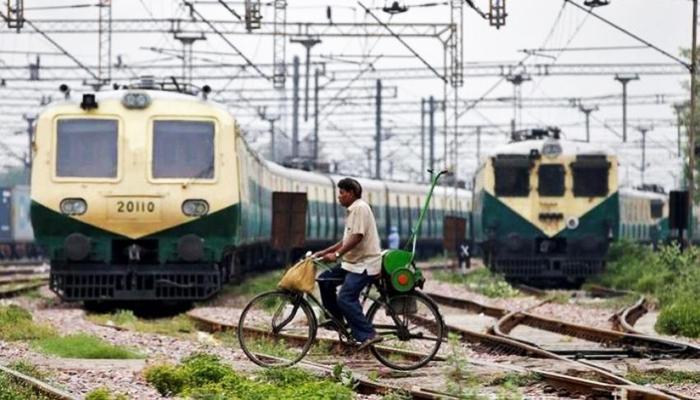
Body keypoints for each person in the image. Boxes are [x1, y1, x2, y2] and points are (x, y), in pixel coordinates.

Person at [313, 177, 383, 350]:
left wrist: (336, 254)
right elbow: (346, 240)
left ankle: (368, 334)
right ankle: (338, 321)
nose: (339, 197)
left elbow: (357, 237)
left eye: (342, 193)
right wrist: (324, 252)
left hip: (365, 264)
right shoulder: (354, 209)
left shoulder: (359, 208)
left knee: (346, 297)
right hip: (352, 263)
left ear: (351, 193)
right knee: (324, 281)